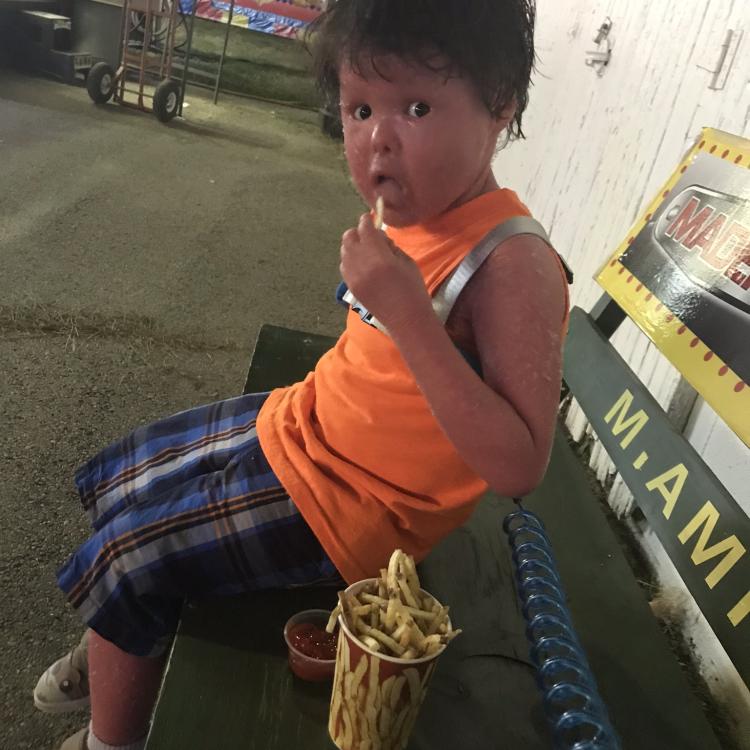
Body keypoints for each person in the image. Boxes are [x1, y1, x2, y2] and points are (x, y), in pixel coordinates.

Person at [36, 1, 570, 748]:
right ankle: (122, 642)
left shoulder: (513, 266)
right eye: (359, 109)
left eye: (417, 107)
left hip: (360, 507)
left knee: (131, 560)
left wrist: (410, 315)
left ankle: (110, 731)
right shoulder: (411, 210)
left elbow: (519, 464)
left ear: (501, 103)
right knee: (132, 475)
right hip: (309, 423)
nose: (378, 140)